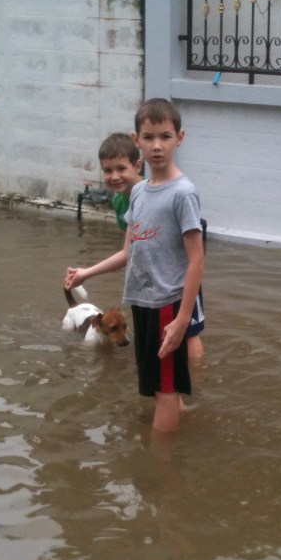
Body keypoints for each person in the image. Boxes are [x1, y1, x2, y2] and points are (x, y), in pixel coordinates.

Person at [66, 99, 205, 434]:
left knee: (165, 390)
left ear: (179, 138)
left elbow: (197, 259)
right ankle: (188, 427)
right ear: (136, 140)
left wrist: (182, 320)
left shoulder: (182, 193)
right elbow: (129, 251)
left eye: (165, 136)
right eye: (149, 137)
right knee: (158, 387)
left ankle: (159, 461)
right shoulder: (140, 192)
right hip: (141, 303)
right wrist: (87, 272)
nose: (157, 145)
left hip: (167, 306)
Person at [98, 130, 207, 365]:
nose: (115, 176)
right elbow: (131, 250)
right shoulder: (121, 201)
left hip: (177, 279)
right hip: (150, 286)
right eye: (108, 170)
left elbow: (193, 254)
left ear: (137, 166)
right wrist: (87, 272)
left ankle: (197, 379)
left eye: (121, 169)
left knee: (189, 333)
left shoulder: (164, 192)